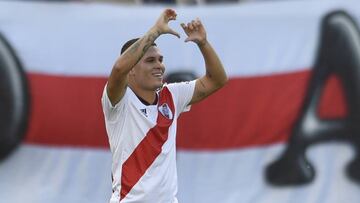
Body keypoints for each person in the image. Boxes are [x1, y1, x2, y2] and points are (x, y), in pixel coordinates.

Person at [101, 8, 227, 203]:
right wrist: (156, 31)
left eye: (160, 59)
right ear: (131, 69)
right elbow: (118, 69)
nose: (159, 65)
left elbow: (217, 79)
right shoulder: (119, 101)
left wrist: (203, 44)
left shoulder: (172, 95)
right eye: (150, 61)